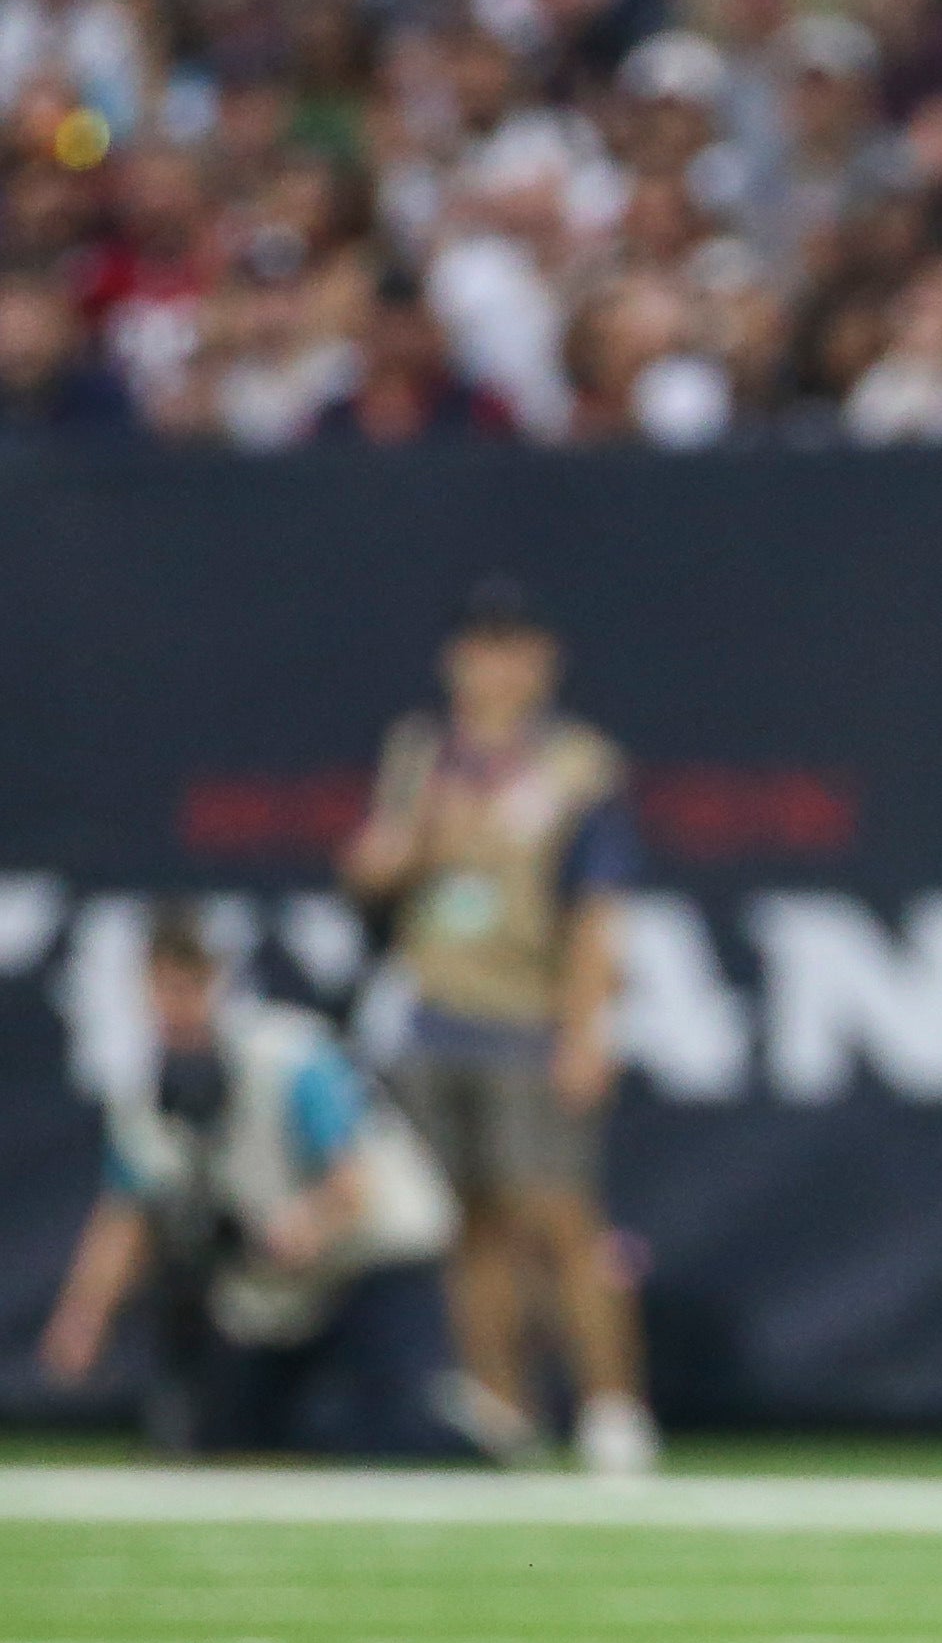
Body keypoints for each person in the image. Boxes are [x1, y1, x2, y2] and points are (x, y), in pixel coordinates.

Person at [339, 579, 657, 1478]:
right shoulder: (420, 753)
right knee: (468, 1222)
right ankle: (501, 1405)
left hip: (530, 1012)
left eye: (512, 647)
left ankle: (611, 1408)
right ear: (456, 659)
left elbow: (600, 907)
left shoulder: (577, 766)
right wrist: (407, 848)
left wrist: (587, 1030)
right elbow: (369, 875)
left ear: (542, 660)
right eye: (481, 647)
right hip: (436, 1009)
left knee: (560, 1218)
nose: (496, 667)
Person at [36, 902, 459, 1456]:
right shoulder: (143, 1096)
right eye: (163, 987)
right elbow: (125, 1214)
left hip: (370, 1261)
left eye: (190, 985)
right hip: (273, 1290)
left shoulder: (291, 1055)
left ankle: (464, 1421)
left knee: (399, 1434)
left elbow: (350, 1180)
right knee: (231, 1440)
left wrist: (309, 1222)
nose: (176, 1005)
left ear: (220, 984)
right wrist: (82, 1321)